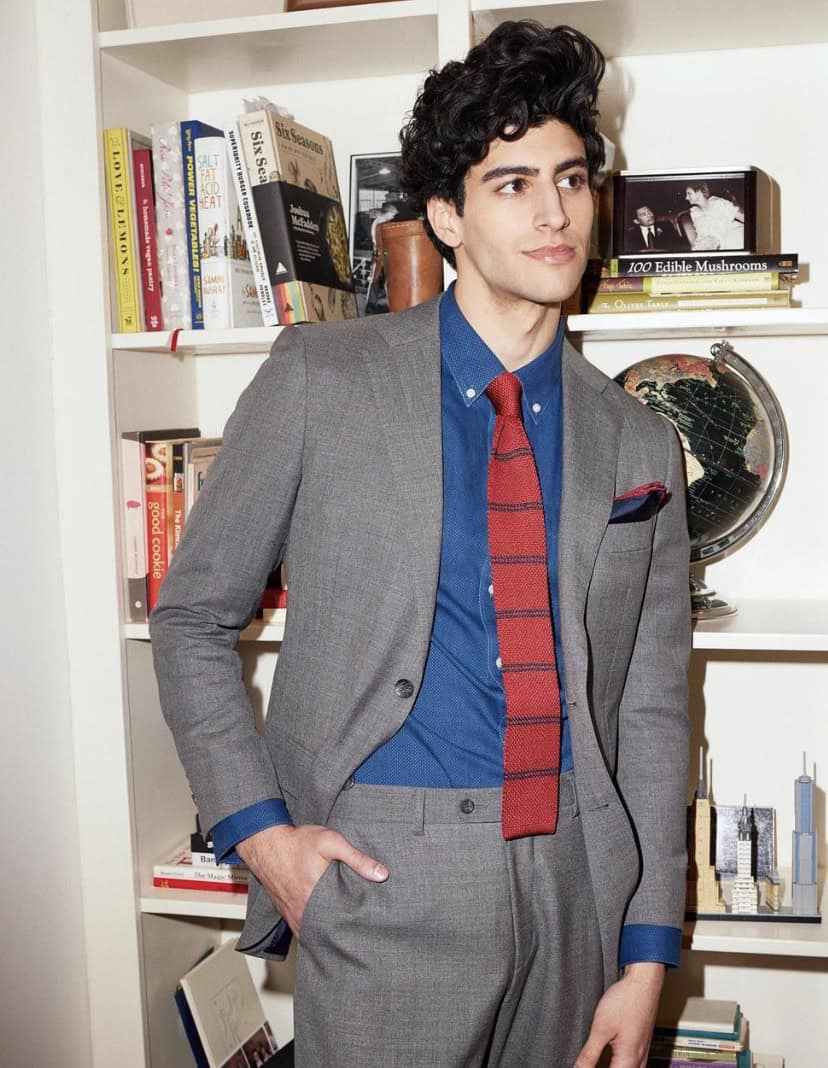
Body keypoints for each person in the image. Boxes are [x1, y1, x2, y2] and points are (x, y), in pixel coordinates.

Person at [151, 19, 691, 1068]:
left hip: (580, 874)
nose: (555, 212)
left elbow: (654, 705)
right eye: (513, 184)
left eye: (573, 180)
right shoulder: (322, 378)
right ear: (445, 214)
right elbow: (190, 619)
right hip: (384, 868)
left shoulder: (640, 437)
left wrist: (646, 954)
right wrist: (267, 837)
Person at [681, 181, 744, 250]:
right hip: (714, 243)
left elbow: (742, 216)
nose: (686, 198)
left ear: (699, 192)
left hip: (732, 236)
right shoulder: (695, 213)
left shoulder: (718, 203)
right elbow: (701, 234)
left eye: (689, 193)